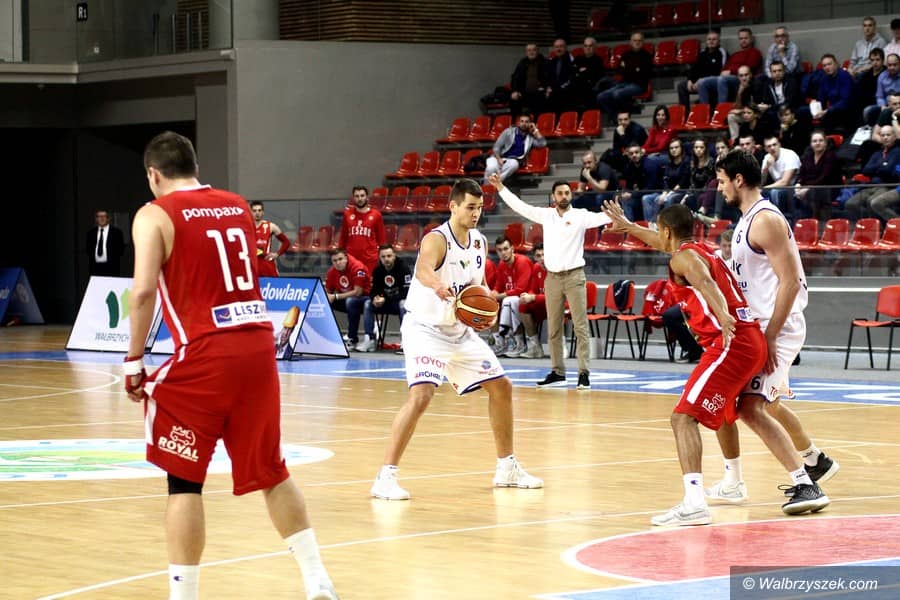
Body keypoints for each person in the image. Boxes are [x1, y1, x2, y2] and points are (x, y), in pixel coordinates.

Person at [124, 131, 337, 600]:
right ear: (195, 167)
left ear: (153, 175)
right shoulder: (237, 205)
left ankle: (184, 596)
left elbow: (142, 292)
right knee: (272, 471)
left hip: (205, 353)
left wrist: (134, 361)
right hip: (258, 346)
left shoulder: (154, 214)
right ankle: (317, 578)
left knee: (184, 483)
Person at [602, 199, 829, 525]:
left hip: (731, 343)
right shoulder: (698, 250)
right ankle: (762, 481)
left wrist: (722, 315)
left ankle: (694, 503)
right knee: (735, 410)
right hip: (749, 340)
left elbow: (705, 283)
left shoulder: (684, 258)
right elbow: (667, 248)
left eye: (657, 231)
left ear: (666, 231)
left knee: (682, 418)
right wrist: (628, 227)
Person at [370, 178, 542, 500]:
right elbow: (423, 269)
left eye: (480, 208)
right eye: (470, 207)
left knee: (502, 387)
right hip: (425, 329)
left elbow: (477, 287)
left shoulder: (479, 242)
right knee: (421, 396)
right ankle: (385, 477)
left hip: (458, 331)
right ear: (453, 206)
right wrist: (436, 285)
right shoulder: (437, 239)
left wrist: (486, 309)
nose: (476, 213)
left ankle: (506, 468)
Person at [705, 149, 838, 509]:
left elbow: (790, 282)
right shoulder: (747, 221)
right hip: (759, 325)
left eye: (722, 181)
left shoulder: (765, 220)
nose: (719, 188)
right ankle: (814, 460)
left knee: (750, 407)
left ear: (739, 180)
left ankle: (806, 485)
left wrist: (770, 336)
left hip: (776, 326)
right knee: (765, 402)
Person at [489, 173, 611, 389]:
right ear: (553, 196)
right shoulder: (546, 215)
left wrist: (616, 213)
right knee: (554, 327)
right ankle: (557, 371)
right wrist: (500, 188)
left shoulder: (581, 215)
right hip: (552, 278)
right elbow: (520, 206)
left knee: (580, 326)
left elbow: (604, 218)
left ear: (571, 195)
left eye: (567, 193)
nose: (564, 196)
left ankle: (583, 373)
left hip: (574, 276)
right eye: (560, 193)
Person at [489, 235, 534, 357]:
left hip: (528, 299)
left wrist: (498, 296)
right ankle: (500, 342)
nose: (503, 253)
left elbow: (520, 290)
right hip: (512, 300)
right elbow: (498, 286)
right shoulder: (501, 264)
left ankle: (520, 343)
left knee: (510, 301)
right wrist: (492, 294)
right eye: (500, 250)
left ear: (512, 249)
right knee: (489, 303)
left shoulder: (522, 262)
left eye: (506, 249)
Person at [362, 244, 411, 352]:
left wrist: (386, 299)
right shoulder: (377, 270)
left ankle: (406, 340)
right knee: (367, 304)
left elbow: (406, 293)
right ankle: (370, 339)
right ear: (379, 258)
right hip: (384, 303)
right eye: (383, 257)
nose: (386, 259)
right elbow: (373, 291)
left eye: (389, 256)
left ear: (394, 255)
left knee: (404, 304)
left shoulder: (404, 268)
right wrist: (375, 298)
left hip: (397, 303)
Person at [845, 124, 900, 220]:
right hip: (870, 185)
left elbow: (888, 171)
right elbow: (866, 170)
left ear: (895, 136)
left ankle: (879, 227)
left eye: (888, 135)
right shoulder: (876, 153)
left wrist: (876, 167)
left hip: (886, 186)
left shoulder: (897, 152)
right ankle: (868, 223)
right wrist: (882, 164)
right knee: (850, 204)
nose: (885, 137)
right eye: (883, 135)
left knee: (872, 202)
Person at [698, 28, 764, 106]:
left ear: (751, 39)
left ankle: (721, 110)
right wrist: (723, 72)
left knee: (722, 79)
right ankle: (704, 110)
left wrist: (731, 71)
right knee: (702, 82)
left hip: (740, 77)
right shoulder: (734, 54)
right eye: (741, 38)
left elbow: (748, 68)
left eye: (746, 38)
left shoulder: (755, 52)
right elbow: (725, 68)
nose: (743, 40)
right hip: (727, 77)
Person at [596, 31, 653, 121]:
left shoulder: (647, 56)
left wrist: (627, 68)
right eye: (635, 40)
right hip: (623, 83)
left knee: (617, 94)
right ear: (631, 42)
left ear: (643, 42)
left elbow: (643, 75)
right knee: (601, 97)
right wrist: (634, 69)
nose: (637, 42)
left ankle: (628, 112)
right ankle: (616, 117)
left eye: (639, 40)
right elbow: (619, 70)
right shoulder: (626, 54)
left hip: (639, 85)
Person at [325, 248, 373, 351]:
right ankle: (326, 337)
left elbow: (358, 292)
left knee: (351, 301)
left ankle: (352, 338)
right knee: (325, 302)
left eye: (340, 259)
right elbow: (327, 291)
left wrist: (335, 296)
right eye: (334, 260)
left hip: (365, 298)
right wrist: (325, 297)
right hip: (347, 300)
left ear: (346, 258)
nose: (338, 263)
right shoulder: (332, 272)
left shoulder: (358, 268)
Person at [483, 113, 547, 183]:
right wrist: (499, 159)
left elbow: (543, 143)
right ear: (518, 123)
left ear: (530, 124)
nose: (524, 124)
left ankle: (494, 183)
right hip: (498, 157)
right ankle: (488, 185)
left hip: (511, 161)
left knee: (515, 164)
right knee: (491, 168)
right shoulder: (508, 132)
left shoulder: (530, 138)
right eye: (522, 121)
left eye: (526, 122)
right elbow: (496, 147)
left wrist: (535, 130)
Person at [795, 130, 842, 221]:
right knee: (790, 193)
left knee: (815, 192)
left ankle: (817, 222)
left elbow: (824, 178)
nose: (817, 143)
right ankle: (795, 223)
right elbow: (802, 173)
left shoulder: (831, 156)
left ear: (825, 143)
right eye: (814, 141)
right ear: (811, 144)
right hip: (809, 188)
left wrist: (808, 188)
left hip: (829, 188)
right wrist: (798, 184)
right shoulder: (808, 156)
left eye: (820, 140)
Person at [337, 185, 385, 273]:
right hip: (351, 258)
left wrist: (382, 256)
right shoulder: (347, 214)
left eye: (362, 195)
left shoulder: (376, 215)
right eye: (357, 196)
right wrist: (340, 253)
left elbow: (381, 239)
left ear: (367, 197)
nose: (360, 199)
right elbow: (343, 237)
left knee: (369, 281)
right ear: (353, 198)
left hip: (370, 259)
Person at [642, 138, 691, 223]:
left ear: (681, 148)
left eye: (676, 147)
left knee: (668, 199)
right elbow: (665, 179)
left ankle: (666, 224)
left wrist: (669, 194)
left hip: (681, 191)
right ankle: (651, 224)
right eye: (671, 148)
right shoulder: (668, 163)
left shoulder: (686, 162)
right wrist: (665, 192)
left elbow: (683, 182)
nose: (674, 150)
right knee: (646, 198)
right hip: (668, 191)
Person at [677, 31, 727, 112]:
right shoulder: (702, 54)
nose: (711, 41)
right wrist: (690, 80)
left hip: (713, 83)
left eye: (714, 39)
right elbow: (694, 69)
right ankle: (685, 114)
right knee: (682, 86)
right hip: (698, 82)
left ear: (719, 41)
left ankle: (704, 112)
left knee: (702, 83)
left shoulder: (722, 53)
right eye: (709, 39)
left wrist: (700, 81)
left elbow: (718, 72)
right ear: (706, 41)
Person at [517, 243, 548, 359]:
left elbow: (556, 296)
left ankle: (561, 344)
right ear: (535, 258)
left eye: (544, 255)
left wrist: (533, 297)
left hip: (559, 304)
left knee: (556, 306)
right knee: (523, 306)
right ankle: (536, 347)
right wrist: (528, 295)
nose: (542, 258)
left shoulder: (556, 269)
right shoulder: (536, 267)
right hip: (543, 303)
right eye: (538, 256)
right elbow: (533, 289)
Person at [761, 136, 801, 221]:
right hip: (779, 187)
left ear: (779, 144)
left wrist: (764, 188)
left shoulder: (790, 155)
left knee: (774, 192)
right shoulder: (767, 158)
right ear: (765, 149)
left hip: (795, 187)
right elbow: (762, 182)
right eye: (769, 146)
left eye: (774, 145)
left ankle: (779, 219)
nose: (772, 148)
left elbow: (785, 182)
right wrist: (766, 167)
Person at [250, 201, 290, 278]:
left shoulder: (271, 226)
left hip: (267, 265)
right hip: (252, 264)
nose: (257, 213)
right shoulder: (246, 227)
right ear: (250, 212)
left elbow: (286, 242)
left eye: (259, 210)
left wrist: (277, 254)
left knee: (273, 284)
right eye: (254, 211)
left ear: (263, 212)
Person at [509, 43, 550, 118]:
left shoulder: (545, 62)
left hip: (540, 92)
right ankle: (516, 122)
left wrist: (546, 87)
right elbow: (515, 77)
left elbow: (549, 77)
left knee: (540, 97)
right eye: (529, 50)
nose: (531, 52)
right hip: (525, 93)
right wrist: (515, 91)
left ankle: (537, 122)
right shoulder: (522, 62)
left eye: (533, 50)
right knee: (513, 99)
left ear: (537, 51)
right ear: (526, 52)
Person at [86, 209, 125, 277]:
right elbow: (88, 250)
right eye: (99, 216)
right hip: (95, 268)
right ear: (96, 219)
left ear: (108, 218)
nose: (102, 218)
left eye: (104, 216)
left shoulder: (116, 233)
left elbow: (121, 250)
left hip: (111, 268)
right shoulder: (91, 233)